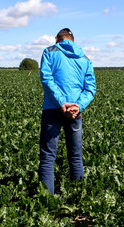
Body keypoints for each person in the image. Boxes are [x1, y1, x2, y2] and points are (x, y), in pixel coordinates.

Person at [38, 28, 96, 195]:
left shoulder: (49, 52)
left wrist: (62, 103)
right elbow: (90, 88)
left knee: (48, 158)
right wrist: (78, 106)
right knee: (76, 156)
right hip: (75, 113)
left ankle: (46, 201)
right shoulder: (85, 59)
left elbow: (46, 78)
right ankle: (79, 198)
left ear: (57, 38)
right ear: (72, 40)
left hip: (52, 109)